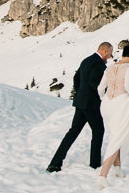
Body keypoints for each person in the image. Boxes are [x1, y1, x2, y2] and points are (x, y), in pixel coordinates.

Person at [46, 42, 113, 173]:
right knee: (98, 131)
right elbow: (95, 83)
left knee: (73, 132)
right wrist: (103, 95)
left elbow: (76, 78)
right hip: (92, 105)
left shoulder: (86, 60)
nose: (109, 57)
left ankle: (55, 163)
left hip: (81, 103)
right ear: (105, 52)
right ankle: (94, 164)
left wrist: (80, 94)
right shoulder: (99, 64)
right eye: (109, 54)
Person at [96, 44, 129, 189]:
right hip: (120, 103)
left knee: (115, 135)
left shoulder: (110, 67)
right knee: (117, 137)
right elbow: (128, 87)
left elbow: (100, 88)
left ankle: (117, 168)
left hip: (107, 105)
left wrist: (104, 99)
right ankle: (102, 175)